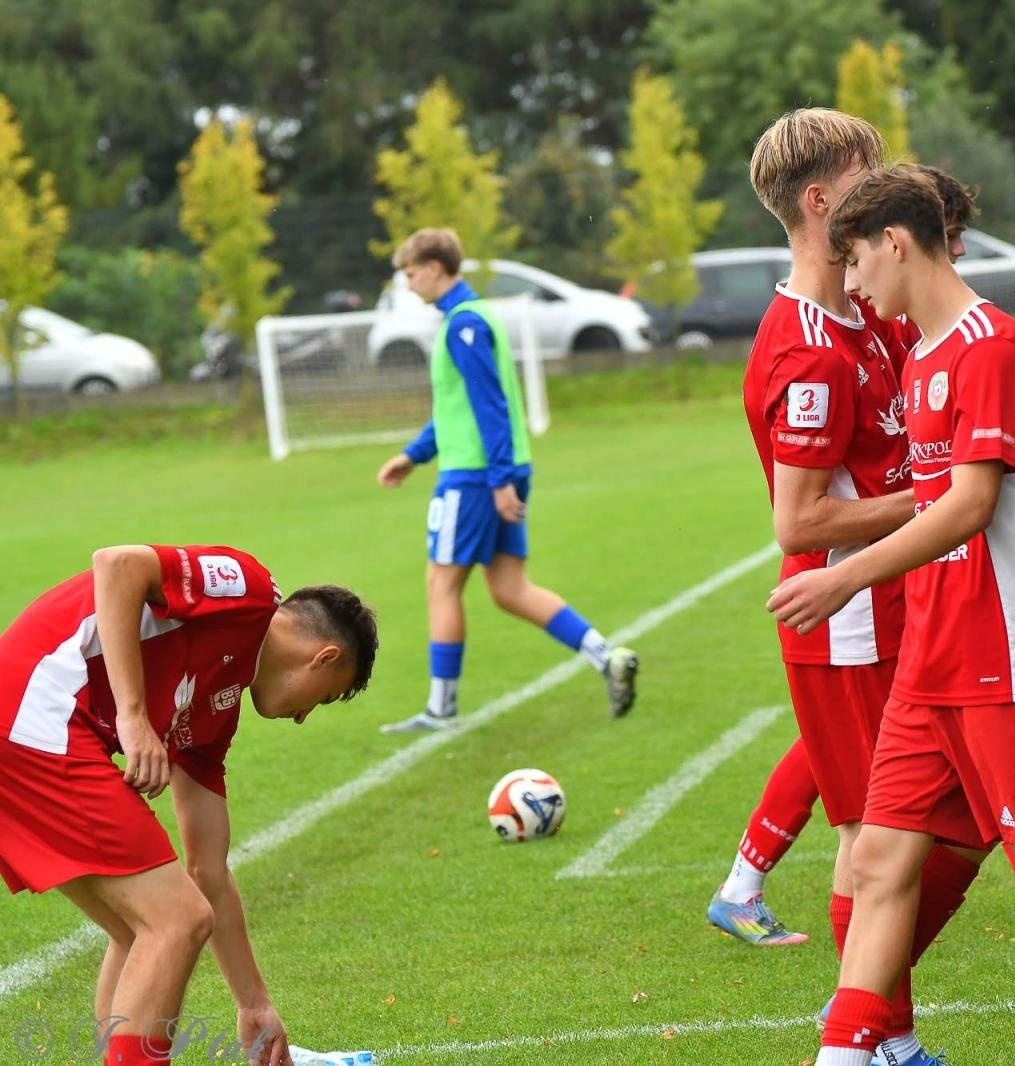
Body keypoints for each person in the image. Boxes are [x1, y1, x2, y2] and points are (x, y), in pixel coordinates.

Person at [771, 166, 1015, 1066]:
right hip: (930, 660)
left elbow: (963, 506)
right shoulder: (918, 357)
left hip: (1003, 658)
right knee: (878, 864)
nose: (852, 282)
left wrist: (844, 578)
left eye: (856, 261)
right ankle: (850, 1057)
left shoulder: (989, 347)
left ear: (895, 243)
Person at [736, 112, 987, 1066]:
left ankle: (877, 1033)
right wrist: (935, 499)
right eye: (865, 170)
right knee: (874, 843)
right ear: (819, 201)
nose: (887, 180)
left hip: (898, 609)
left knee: (932, 832)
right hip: (845, 624)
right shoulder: (808, 347)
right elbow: (798, 524)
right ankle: (880, 1041)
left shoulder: (860, 317)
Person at [0, 544, 379, 1066]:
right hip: (31, 714)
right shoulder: (250, 590)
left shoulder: (213, 714)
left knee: (142, 927)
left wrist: (254, 1004)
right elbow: (117, 564)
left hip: (34, 728)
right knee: (174, 921)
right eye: (324, 697)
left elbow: (209, 868)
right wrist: (133, 719)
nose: (303, 717)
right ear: (324, 658)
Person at [374, 228, 638, 732]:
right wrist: (414, 454)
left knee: (440, 584)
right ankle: (607, 657)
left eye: (410, 274)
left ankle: (440, 709)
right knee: (510, 587)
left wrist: (497, 481)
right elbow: (460, 411)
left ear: (434, 267)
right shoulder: (474, 317)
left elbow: (489, 406)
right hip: (499, 468)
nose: (409, 286)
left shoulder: (463, 325)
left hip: (475, 478)